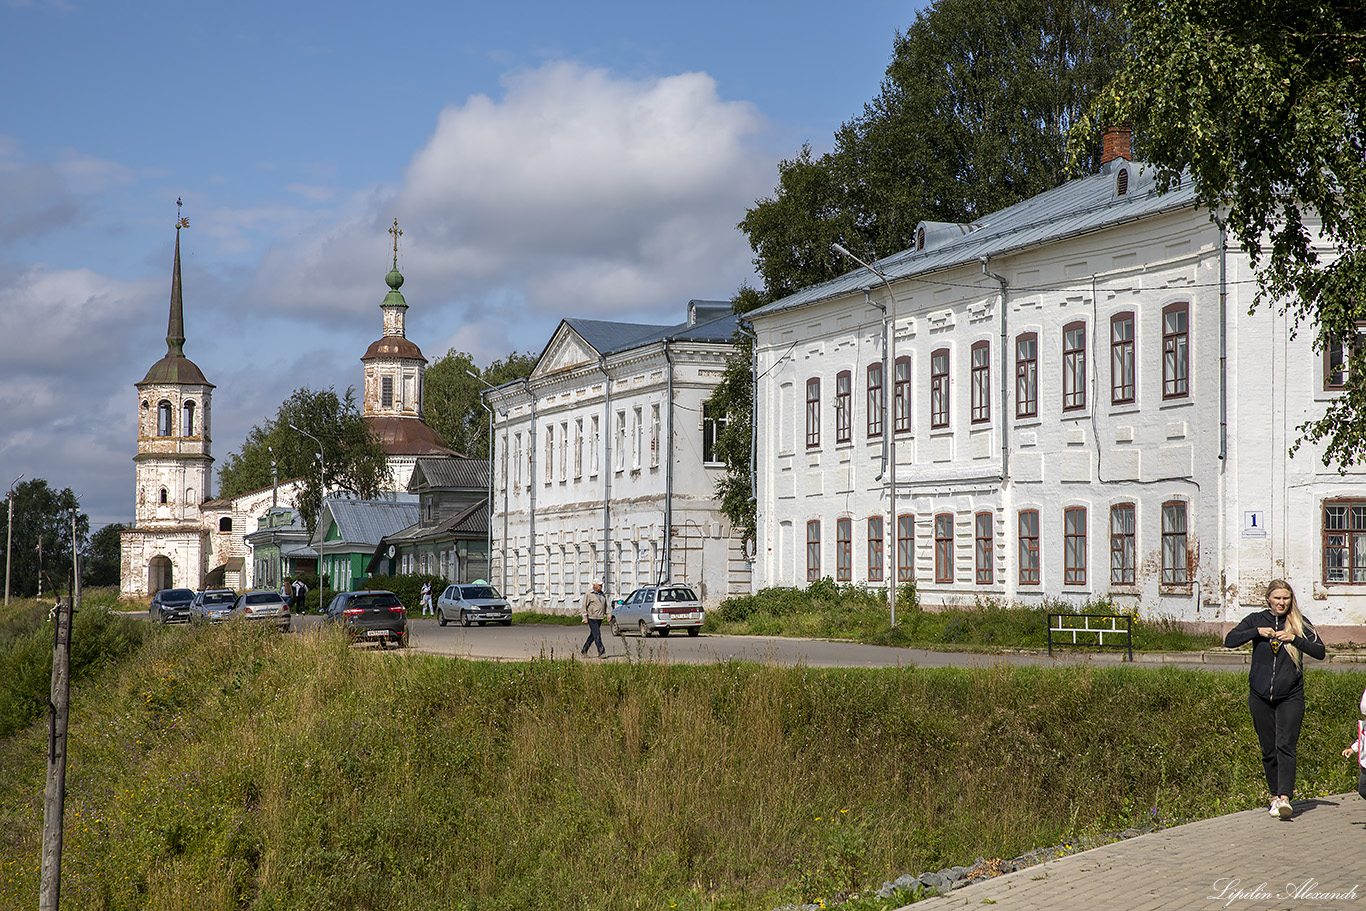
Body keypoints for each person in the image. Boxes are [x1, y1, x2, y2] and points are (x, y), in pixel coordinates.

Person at [1224, 579, 1326, 819]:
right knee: (1269, 749)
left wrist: (1294, 639)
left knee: (1286, 746)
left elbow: (1320, 651)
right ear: (1268, 599)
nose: (1282, 602)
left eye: (1286, 598)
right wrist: (1257, 633)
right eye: (1277, 598)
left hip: (1290, 695)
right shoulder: (1256, 620)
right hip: (1260, 695)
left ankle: (1284, 797)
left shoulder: (1299, 623)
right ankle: (1273, 797)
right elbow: (1230, 640)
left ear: (1291, 600)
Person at [1340, 686, 1366, 801]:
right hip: (1365, 765)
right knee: (1363, 789)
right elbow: (1361, 740)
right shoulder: (1364, 727)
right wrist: (1352, 749)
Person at [580, 581, 609, 658]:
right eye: (599, 585)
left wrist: (608, 614)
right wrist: (584, 618)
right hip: (592, 617)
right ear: (594, 585)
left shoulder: (602, 594)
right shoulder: (589, 594)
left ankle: (584, 650)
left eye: (601, 585)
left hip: (600, 617)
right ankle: (601, 652)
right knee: (597, 635)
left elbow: (605, 606)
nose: (601, 586)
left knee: (593, 635)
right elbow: (584, 607)